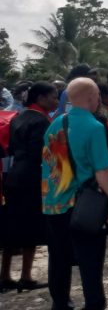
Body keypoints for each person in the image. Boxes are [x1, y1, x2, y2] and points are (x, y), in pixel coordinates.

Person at [42, 78, 108, 310]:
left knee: (58, 256)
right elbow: (103, 170)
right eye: (97, 96)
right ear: (92, 97)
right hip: (82, 204)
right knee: (90, 258)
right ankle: (94, 303)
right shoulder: (94, 126)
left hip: (54, 202)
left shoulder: (55, 124)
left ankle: (60, 302)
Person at [1, 82, 57, 292]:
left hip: (15, 175)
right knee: (31, 227)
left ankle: (5, 275)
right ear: (40, 98)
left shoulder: (19, 117)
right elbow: (42, 154)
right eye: (53, 97)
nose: (56, 101)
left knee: (11, 226)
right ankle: (25, 275)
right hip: (32, 176)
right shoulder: (42, 121)